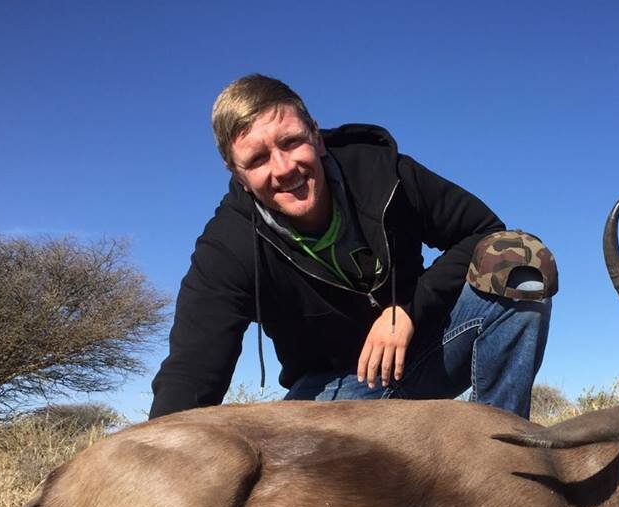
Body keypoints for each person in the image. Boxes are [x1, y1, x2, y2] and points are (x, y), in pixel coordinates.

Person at [149, 74, 555, 421]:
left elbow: (484, 232)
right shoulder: (226, 246)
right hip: (332, 393)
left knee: (519, 261)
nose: (284, 168)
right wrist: (157, 452)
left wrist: (410, 308)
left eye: (291, 142)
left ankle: (500, 454)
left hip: (421, 354)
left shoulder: (384, 172)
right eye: (257, 160)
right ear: (238, 176)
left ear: (317, 136)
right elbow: (192, 370)